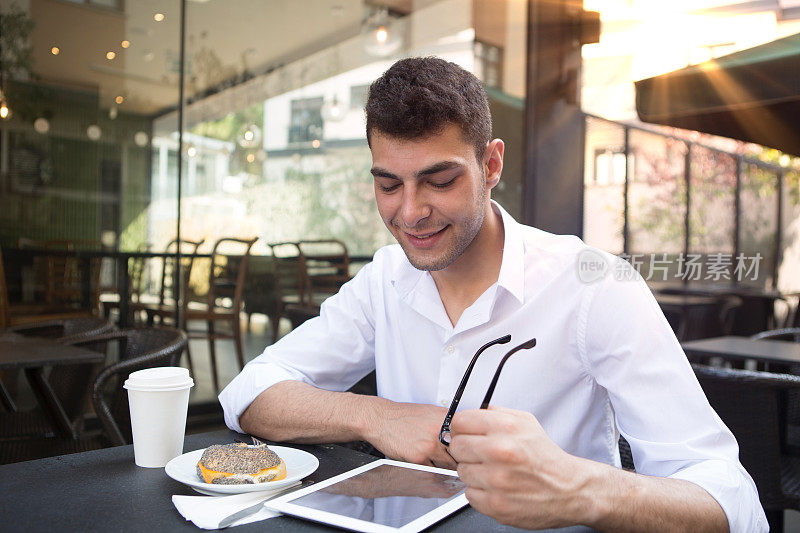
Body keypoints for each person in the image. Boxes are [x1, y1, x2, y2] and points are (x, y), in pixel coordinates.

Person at [220, 57, 766, 531]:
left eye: (440, 181)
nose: (409, 212)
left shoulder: (595, 284)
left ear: (492, 164)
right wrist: (380, 417)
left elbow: (732, 500)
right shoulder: (384, 279)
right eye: (389, 185)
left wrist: (579, 488)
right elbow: (250, 394)